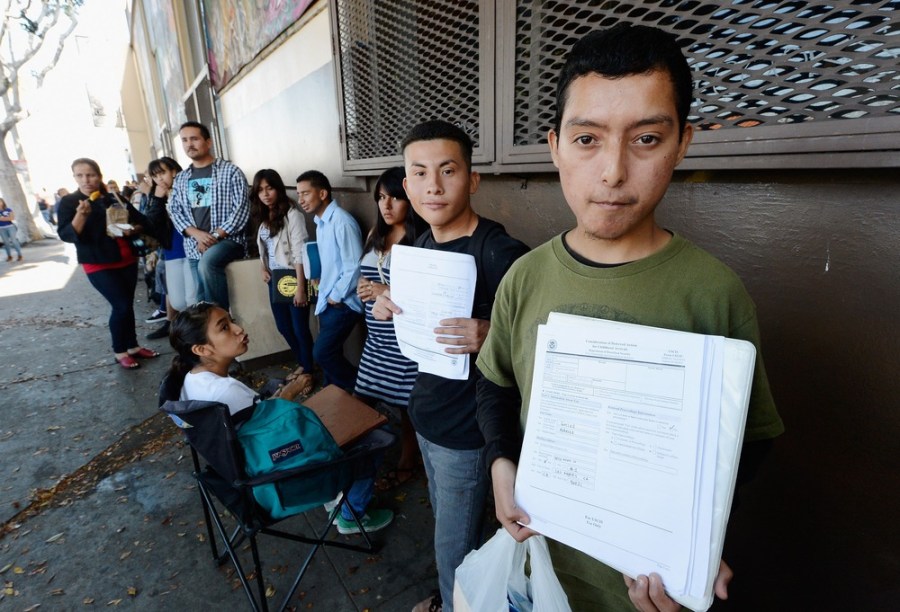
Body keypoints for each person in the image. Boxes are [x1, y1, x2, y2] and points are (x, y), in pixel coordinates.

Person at [474, 24, 786, 612]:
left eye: (645, 138)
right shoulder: (526, 277)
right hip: (541, 566)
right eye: (587, 139)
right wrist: (499, 461)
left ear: (682, 144)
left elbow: (752, 441)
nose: (613, 171)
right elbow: (495, 382)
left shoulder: (713, 294)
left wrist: (697, 539)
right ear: (555, 146)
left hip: (643, 591)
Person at [372, 120, 529, 612]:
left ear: (473, 179)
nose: (432, 186)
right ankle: (462, 600)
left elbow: (541, 347)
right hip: (426, 417)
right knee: (452, 530)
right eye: (418, 173)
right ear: (406, 183)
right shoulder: (417, 249)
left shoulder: (503, 255)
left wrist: (489, 334)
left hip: (468, 433)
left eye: (447, 170)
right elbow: (418, 331)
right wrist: (387, 305)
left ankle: (452, 602)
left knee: (453, 550)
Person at [163, 301, 393, 535]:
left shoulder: (188, 381)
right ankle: (350, 514)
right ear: (201, 349)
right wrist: (291, 391)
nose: (238, 329)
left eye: (231, 320)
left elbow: (260, 416)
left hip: (241, 472)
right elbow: (274, 417)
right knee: (376, 438)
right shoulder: (225, 392)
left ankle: (337, 499)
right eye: (224, 327)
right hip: (275, 477)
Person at [354, 166, 427, 489]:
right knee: (362, 399)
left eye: (395, 197)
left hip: (404, 342)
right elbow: (367, 274)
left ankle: (408, 462)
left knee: (407, 408)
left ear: (410, 199)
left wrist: (385, 291)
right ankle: (356, 465)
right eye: (381, 197)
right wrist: (363, 287)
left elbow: (427, 298)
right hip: (376, 342)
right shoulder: (376, 235)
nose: (387, 205)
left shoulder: (421, 241)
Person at [56, 158, 160, 369]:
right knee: (120, 305)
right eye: (80, 175)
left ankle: (132, 346)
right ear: (74, 177)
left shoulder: (113, 197)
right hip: (98, 263)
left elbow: (142, 220)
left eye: (91, 175)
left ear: (99, 175)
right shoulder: (70, 202)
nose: (86, 180)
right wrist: (80, 216)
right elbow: (67, 235)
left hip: (126, 259)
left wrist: (133, 229)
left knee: (127, 305)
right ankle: (119, 351)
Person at [168, 121, 249, 311]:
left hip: (228, 241)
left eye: (194, 139)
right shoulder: (182, 178)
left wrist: (213, 237)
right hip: (194, 245)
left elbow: (241, 210)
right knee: (200, 300)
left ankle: (221, 317)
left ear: (209, 142)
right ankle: (212, 335)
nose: (189, 144)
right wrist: (197, 234)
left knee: (208, 263)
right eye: (185, 140)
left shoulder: (230, 172)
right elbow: (174, 210)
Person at [296, 170, 363, 390]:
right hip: (328, 297)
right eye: (299, 194)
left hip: (343, 302)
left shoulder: (341, 222)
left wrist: (336, 295)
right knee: (329, 353)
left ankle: (362, 391)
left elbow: (354, 266)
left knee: (322, 353)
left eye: (305, 193)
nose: (301, 200)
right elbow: (333, 260)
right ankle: (335, 396)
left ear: (323, 193)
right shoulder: (321, 222)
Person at [251, 169, 314, 373]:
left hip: (292, 278)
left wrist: (301, 289)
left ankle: (307, 369)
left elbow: (299, 252)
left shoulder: (292, 215)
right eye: (260, 190)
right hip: (274, 280)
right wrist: (263, 267)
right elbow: (266, 248)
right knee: (284, 327)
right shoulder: (263, 215)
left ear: (278, 188)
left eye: (269, 188)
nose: (265, 194)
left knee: (299, 328)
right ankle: (304, 363)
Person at [144, 157, 197, 340]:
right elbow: (151, 223)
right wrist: (158, 198)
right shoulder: (155, 197)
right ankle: (186, 332)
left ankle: (195, 337)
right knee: (177, 300)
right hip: (171, 251)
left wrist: (171, 195)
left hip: (193, 250)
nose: (160, 179)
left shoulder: (187, 188)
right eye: (155, 175)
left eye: (162, 173)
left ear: (174, 171)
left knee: (192, 299)